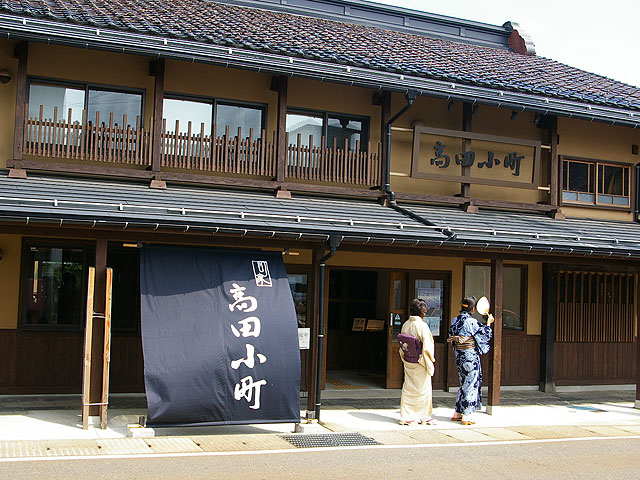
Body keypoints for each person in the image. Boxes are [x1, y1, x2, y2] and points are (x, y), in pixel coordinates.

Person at [448, 295, 494, 425]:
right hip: (470, 357)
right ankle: (466, 415)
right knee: (470, 384)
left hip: (459, 356)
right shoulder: (471, 322)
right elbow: (485, 334)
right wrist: (489, 323)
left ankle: (457, 412)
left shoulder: (454, 320)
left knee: (464, 383)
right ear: (473, 309)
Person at [398, 298, 436, 426]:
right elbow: (427, 347)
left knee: (408, 387)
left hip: (409, 359)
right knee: (423, 389)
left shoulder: (406, 324)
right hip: (420, 360)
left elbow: (402, 343)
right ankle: (424, 416)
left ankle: (407, 415)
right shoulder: (422, 326)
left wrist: (404, 356)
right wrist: (429, 362)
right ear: (422, 312)